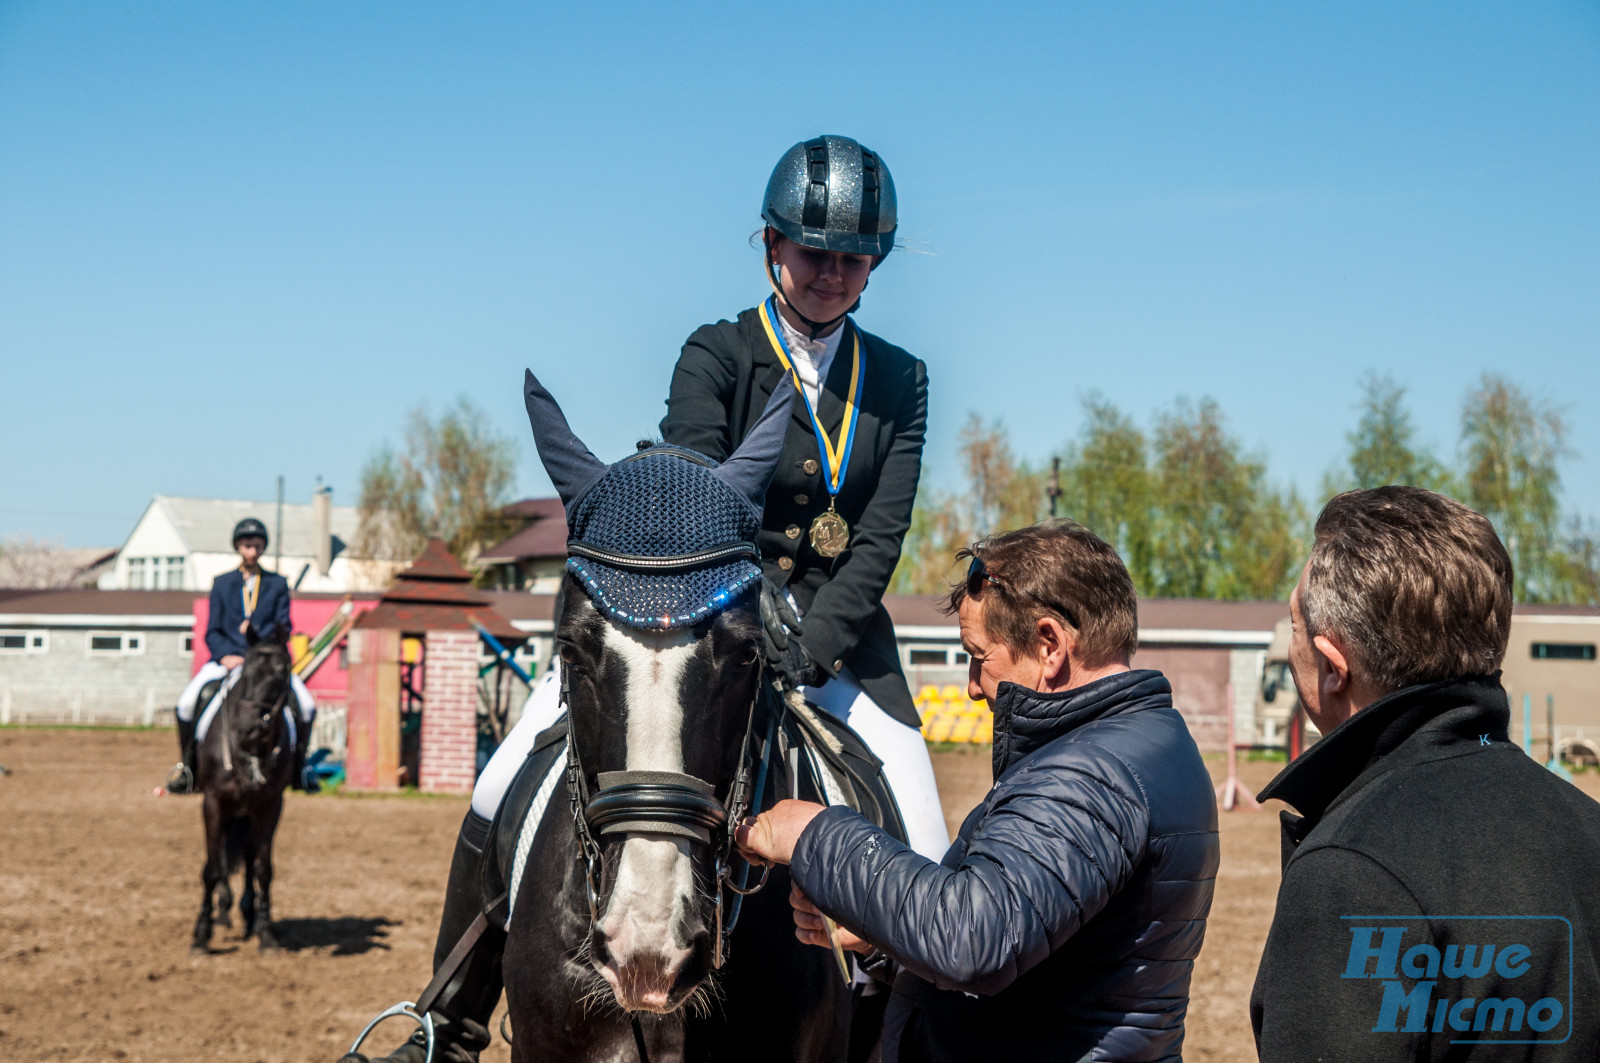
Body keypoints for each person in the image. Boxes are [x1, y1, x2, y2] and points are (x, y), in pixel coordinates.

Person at [340, 135, 946, 1063]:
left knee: (923, 821)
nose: (831, 272)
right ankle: (448, 1026)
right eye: (813, 251)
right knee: (507, 772)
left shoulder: (901, 380)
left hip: (835, 642)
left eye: (852, 258)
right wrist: (734, 624)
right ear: (772, 245)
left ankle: (917, 1035)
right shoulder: (717, 352)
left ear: (874, 265)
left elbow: (877, 539)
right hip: (695, 619)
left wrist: (804, 647)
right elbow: (687, 498)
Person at [737, 520, 1220, 1063]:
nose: (970, 685)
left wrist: (815, 834)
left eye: (979, 655)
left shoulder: (1090, 775)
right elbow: (1035, 949)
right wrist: (881, 940)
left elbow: (974, 938)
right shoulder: (1137, 746)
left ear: (1049, 645)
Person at [1250, 487, 1600, 1061]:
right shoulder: (1588, 825)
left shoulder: (1352, 872)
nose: (1292, 647)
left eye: (1293, 624)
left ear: (1334, 667)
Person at [166, 517, 317, 795]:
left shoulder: (276, 584)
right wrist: (226, 657)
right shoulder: (223, 584)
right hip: (228, 661)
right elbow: (212, 631)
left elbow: (284, 624)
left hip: (265, 663)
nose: (252, 550)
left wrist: (257, 636)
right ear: (238, 547)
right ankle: (187, 767)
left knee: (306, 706)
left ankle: (301, 768)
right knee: (186, 704)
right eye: (247, 545)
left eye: (257, 545)